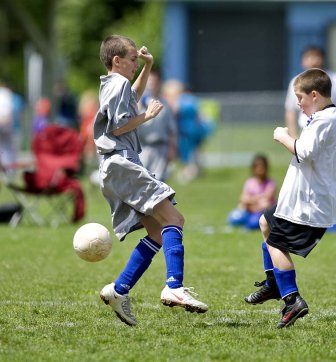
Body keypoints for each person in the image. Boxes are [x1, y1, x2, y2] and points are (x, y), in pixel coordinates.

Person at [93, 35, 208, 326]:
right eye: (132, 59)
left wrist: (147, 66)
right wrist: (148, 116)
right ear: (117, 61)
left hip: (116, 165)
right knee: (174, 218)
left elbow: (132, 95)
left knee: (157, 231)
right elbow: (119, 127)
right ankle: (174, 287)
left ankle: (119, 290)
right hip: (122, 162)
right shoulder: (117, 83)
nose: (135, 63)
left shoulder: (113, 84)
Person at [244, 68, 336, 328]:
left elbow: (304, 152)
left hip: (309, 203)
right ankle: (274, 284)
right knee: (266, 222)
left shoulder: (324, 121)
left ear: (315, 95)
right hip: (304, 199)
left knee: (276, 243)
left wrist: (283, 137)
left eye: (300, 98)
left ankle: (292, 300)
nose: (298, 103)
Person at [285, 46, 336, 138]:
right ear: (302, 61)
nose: (313, 61)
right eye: (308, 57)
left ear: (323, 59)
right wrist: (293, 137)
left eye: (316, 56)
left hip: (333, 132)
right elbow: (290, 110)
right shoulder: (296, 81)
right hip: (307, 131)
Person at [138, 70, 177, 181]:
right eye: (148, 82)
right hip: (142, 147)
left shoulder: (165, 104)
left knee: (158, 180)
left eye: (154, 82)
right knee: (142, 180)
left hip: (160, 147)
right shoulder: (138, 102)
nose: (151, 86)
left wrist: (172, 148)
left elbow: (172, 129)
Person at [228, 154, 276, 230]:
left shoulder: (270, 183)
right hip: (249, 210)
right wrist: (255, 200)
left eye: (262, 167)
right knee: (233, 218)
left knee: (255, 222)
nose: (260, 169)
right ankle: (246, 221)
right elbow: (243, 198)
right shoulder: (250, 182)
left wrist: (251, 200)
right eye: (257, 167)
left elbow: (265, 202)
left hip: (261, 212)